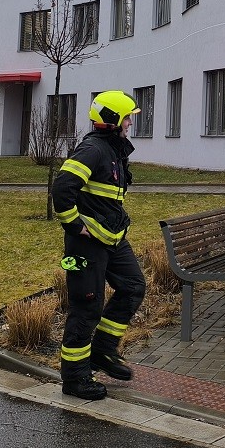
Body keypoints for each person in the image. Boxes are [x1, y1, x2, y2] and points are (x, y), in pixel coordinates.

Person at [52, 90, 147, 400]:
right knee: (86, 307)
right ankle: (75, 378)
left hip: (113, 239)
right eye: (127, 118)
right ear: (113, 120)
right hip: (87, 245)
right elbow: (63, 188)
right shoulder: (93, 149)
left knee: (133, 286)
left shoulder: (114, 150)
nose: (130, 123)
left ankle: (103, 351)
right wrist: (74, 225)